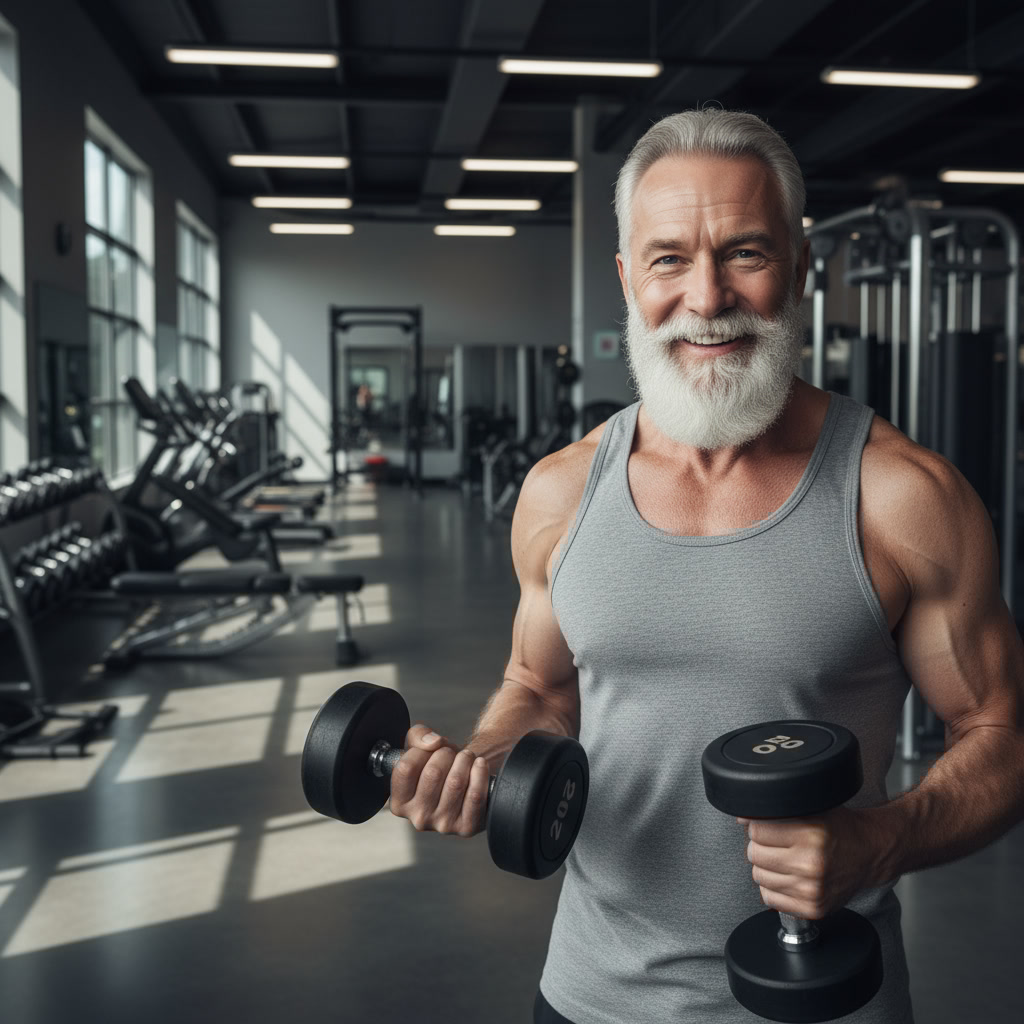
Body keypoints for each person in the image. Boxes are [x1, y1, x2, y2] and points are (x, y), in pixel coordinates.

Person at [387, 109, 1024, 1023]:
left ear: (800, 265)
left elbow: (1002, 735)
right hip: (588, 998)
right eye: (669, 259)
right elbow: (539, 686)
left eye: (746, 253)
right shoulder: (560, 493)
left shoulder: (901, 497)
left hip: (826, 1007)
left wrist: (879, 842)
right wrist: (485, 762)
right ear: (626, 279)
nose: (707, 296)